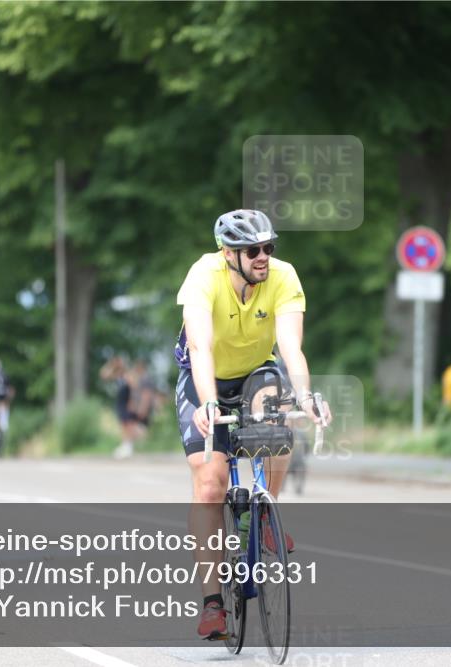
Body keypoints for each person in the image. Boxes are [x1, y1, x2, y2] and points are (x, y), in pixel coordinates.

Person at [173, 209, 331, 640]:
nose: (263, 257)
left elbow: (291, 349)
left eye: (268, 247)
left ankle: (264, 512)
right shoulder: (203, 277)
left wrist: (304, 397)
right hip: (204, 378)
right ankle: (211, 605)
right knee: (211, 482)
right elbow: (201, 348)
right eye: (252, 250)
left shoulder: (283, 277)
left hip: (255, 373)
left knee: (281, 426)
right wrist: (208, 404)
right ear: (228, 253)